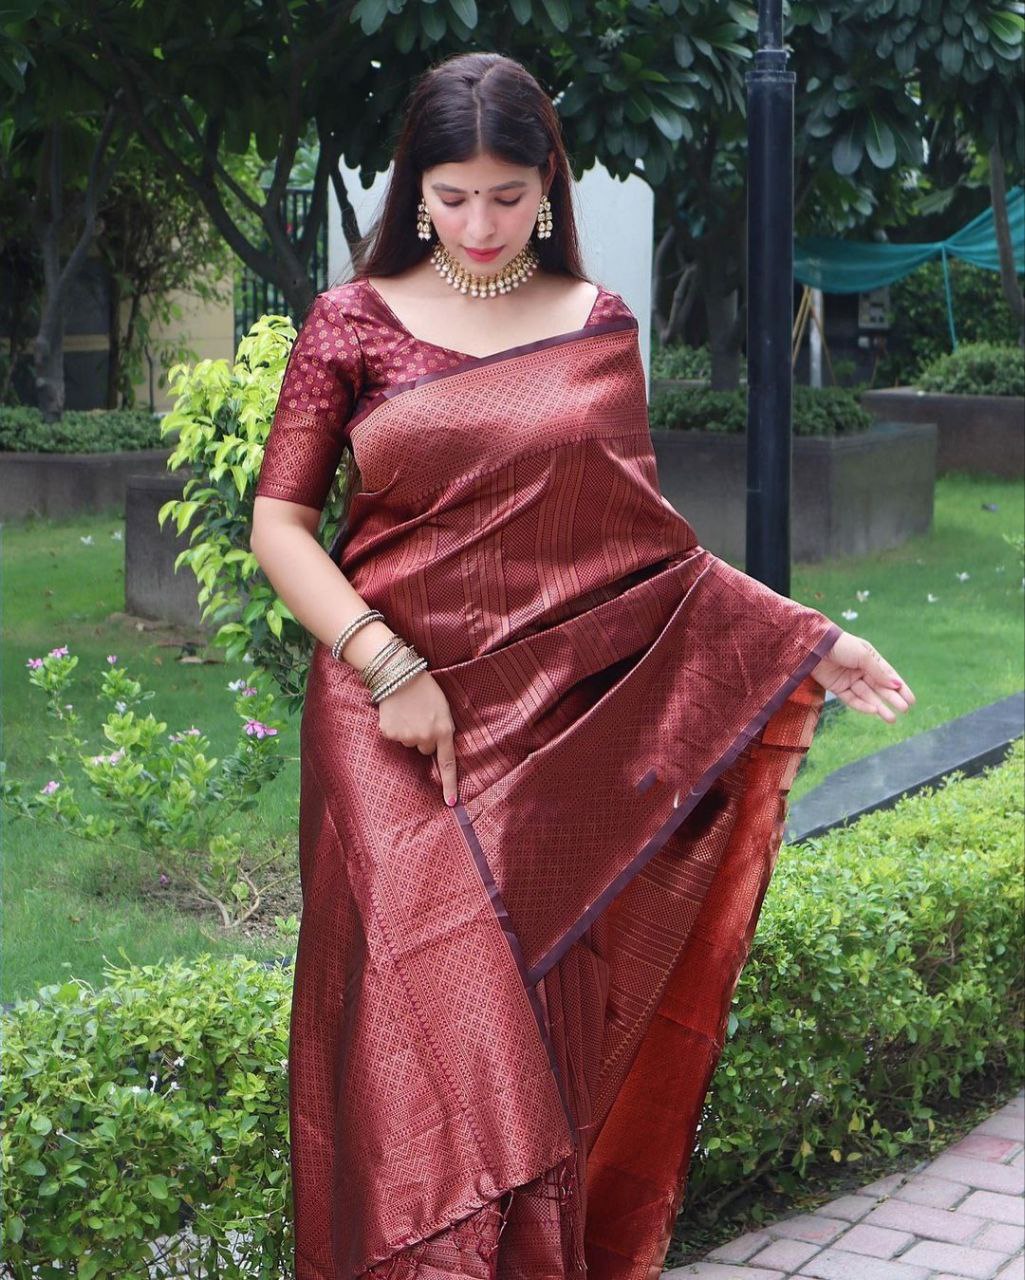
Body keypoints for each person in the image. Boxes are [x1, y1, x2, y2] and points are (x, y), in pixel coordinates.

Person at [249, 50, 914, 1280]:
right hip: (384, 716)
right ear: (415, 190)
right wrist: (387, 662)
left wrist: (806, 640)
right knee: (419, 1032)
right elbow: (279, 522)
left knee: (529, 1034)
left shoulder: (595, 324)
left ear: (546, 184)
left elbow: (638, 552)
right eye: (452, 196)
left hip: (546, 722)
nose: (480, 224)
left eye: (507, 195)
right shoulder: (353, 323)